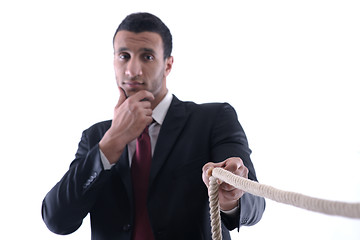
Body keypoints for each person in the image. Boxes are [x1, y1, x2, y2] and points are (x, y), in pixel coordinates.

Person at [41, 12, 265, 240]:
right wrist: (113, 141)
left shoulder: (214, 119)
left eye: (147, 57)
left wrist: (232, 196)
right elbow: (57, 219)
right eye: (124, 56)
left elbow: (256, 205)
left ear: (168, 65)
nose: (132, 70)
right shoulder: (96, 137)